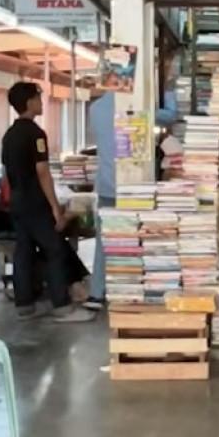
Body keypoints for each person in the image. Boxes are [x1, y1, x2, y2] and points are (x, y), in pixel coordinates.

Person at [0, 82, 94, 322]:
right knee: (54, 250)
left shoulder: (8, 135)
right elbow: (42, 172)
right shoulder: (36, 134)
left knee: (23, 252)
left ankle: (25, 306)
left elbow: (6, 173)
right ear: (30, 102)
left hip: (18, 202)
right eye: (39, 99)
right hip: (35, 202)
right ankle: (62, 306)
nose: (41, 103)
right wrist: (55, 207)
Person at [85, 92, 117, 311]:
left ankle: (97, 293)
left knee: (104, 241)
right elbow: (170, 116)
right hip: (135, 184)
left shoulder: (95, 108)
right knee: (138, 239)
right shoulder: (140, 101)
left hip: (106, 183)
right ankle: (131, 290)